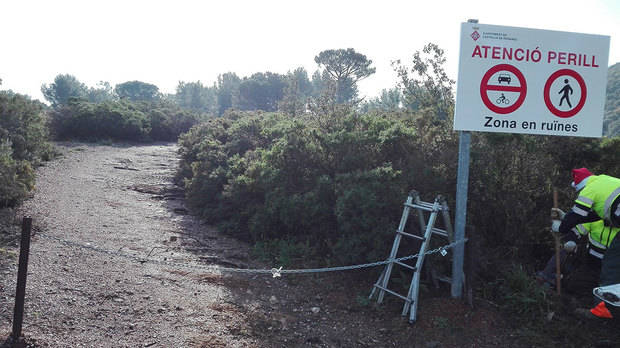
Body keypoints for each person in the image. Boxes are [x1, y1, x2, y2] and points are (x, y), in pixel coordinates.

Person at [556, 168, 620, 318]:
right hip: (592, 262)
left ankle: (604, 311)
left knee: (611, 267)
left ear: (580, 187)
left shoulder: (589, 190)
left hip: (602, 260)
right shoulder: (605, 181)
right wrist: (567, 219)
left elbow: (578, 213)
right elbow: (592, 216)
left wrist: (560, 227)